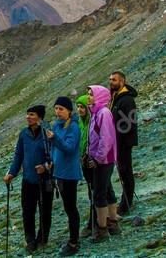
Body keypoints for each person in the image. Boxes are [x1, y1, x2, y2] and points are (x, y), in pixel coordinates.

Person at [3, 105, 52, 254]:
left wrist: (45, 166)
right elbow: (19, 155)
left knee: (45, 210)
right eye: (27, 114)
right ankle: (30, 239)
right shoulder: (24, 134)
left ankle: (42, 237)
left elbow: (54, 155)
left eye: (31, 114)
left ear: (40, 117)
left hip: (45, 179)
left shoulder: (48, 133)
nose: (28, 117)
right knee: (28, 211)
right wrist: (12, 173)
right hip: (28, 179)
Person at [46, 96, 82, 256]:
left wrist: (54, 138)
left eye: (61, 109)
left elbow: (68, 148)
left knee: (71, 207)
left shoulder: (73, 127)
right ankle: (72, 238)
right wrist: (51, 162)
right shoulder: (58, 125)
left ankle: (74, 242)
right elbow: (55, 149)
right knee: (67, 207)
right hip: (59, 172)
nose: (58, 112)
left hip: (69, 173)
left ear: (69, 111)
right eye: (56, 109)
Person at [85, 84, 119, 243]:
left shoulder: (103, 113)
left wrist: (97, 158)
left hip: (103, 160)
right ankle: (113, 223)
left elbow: (106, 138)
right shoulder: (96, 112)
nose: (88, 97)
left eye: (91, 94)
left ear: (99, 96)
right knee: (108, 190)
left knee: (99, 193)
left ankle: (102, 228)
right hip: (102, 158)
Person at [109, 70, 139, 214]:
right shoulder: (117, 97)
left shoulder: (127, 100)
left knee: (126, 171)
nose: (111, 82)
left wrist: (114, 134)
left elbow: (129, 123)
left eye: (114, 80)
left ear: (122, 81)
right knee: (123, 171)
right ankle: (125, 201)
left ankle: (126, 204)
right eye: (110, 80)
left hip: (124, 142)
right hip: (119, 141)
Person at [75, 94, 93, 240]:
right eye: (78, 107)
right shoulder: (80, 122)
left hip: (92, 160)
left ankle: (96, 221)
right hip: (84, 160)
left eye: (82, 107)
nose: (79, 110)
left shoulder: (91, 121)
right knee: (91, 189)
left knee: (95, 190)